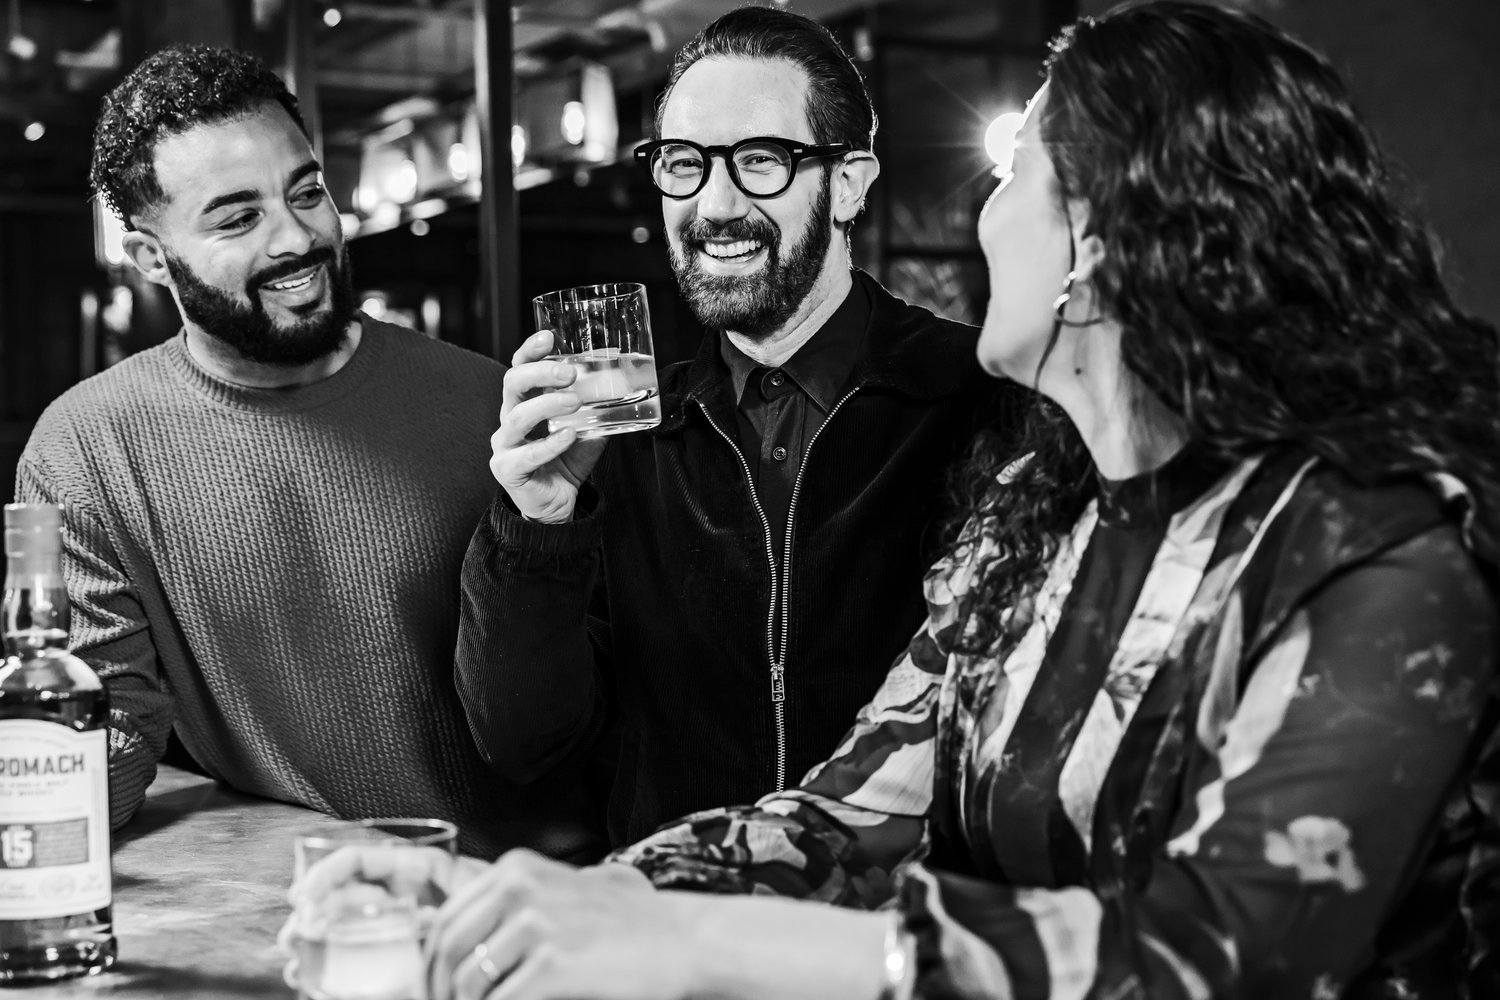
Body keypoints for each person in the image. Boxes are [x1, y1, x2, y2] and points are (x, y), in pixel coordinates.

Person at [296, 2, 1500, 998]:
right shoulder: (1042, 508)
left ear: (1103, 237)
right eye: (683, 164)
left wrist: (700, 942)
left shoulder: (1380, 549)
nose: (979, 216)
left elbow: (1208, 959)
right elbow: (842, 818)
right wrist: (563, 897)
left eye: (1013, 175)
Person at [15, 45, 600, 861]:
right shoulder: (85, 448)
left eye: (307, 192)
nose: (298, 237)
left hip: (540, 893)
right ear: (152, 257)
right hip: (311, 907)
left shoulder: (485, 406)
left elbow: (572, 720)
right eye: (238, 217)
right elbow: (105, 728)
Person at [456, 5, 1022, 845]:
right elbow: (525, 744)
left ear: (851, 183)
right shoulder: (619, 437)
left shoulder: (978, 398)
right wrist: (537, 523)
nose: (713, 205)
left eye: (761, 161)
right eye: (684, 164)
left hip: (897, 938)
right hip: (679, 929)